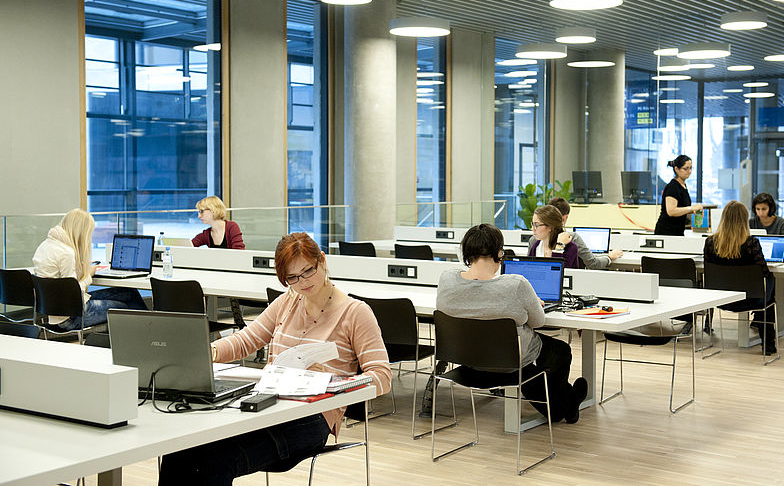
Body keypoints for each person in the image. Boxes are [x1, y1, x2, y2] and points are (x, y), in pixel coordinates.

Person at [158, 233, 391, 485]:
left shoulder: (355, 312)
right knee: (180, 451)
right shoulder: (287, 302)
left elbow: (381, 376)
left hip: (311, 418)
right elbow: (246, 339)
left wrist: (334, 387)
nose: (302, 282)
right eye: (292, 277)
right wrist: (208, 352)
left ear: (322, 261)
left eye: (308, 271)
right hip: (267, 406)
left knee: (216, 460)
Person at [436, 224, 588, 423]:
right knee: (560, 352)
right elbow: (538, 322)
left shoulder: (447, 279)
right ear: (499, 253)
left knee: (530, 367)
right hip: (511, 364)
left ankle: (562, 405)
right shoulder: (515, 284)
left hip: (468, 362)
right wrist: (532, 302)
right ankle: (564, 406)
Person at [31, 208, 147, 330]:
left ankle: (146, 328)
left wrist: (80, 267)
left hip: (58, 311)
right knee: (123, 307)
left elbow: (62, 283)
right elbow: (72, 295)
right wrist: (88, 276)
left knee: (129, 293)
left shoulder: (45, 245)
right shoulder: (66, 253)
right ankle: (147, 330)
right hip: (71, 317)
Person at [703, 201, 777, 355]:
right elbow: (763, 272)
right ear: (745, 220)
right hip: (751, 299)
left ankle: (707, 324)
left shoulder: (710, 242)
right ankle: (768, 345)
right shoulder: (751, 243)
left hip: (720, 299)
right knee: (771, 280)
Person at [547, 197, 624, 269]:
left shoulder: (537, 238)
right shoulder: (571, 237)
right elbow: (593, 264)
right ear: (564, 218)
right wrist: (610, 257)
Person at [654, 154, 703, 236]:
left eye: (691, 168)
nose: (689, 171)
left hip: (678, 231)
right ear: (676, 169)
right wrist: (691, 208)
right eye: (686, 169)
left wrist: (693, 211)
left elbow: (681, 208)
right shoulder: (673, 187)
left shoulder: (683, 186)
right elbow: (671, 211)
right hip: (667, 232)